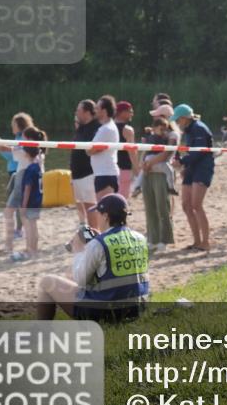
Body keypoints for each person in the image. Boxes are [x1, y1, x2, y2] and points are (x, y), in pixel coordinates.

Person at [36, 193, 149, 321]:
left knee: (46, 282)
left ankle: (41, 332)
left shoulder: (100, 244)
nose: (97, 218)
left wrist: (78, 250)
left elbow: (80, 280)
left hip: (109, 312)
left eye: (98, 214)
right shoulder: (140, 238)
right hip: (137, 309)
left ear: (106, 216)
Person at [0, 112, 35, 255]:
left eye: (13, 124)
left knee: (14, 211)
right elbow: (10, 152)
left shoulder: (23, 140)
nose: (12, 126)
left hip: (19, 176)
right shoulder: (23, 141)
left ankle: (15, 240)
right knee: (21, 211)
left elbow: (11, 153)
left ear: (20, 125)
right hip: (20, 176)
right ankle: (24, 244)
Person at [171, 103, 215, 250]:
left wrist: (182, 162)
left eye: (178, 120)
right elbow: (183, 149)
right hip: (191, 168)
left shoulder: (199, 129)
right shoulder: (187, 131)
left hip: (202, 168)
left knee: (197, 205)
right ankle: (197, 241)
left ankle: (206, 242)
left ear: (185, 118)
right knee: (186, 206)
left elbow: (199, 152)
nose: (177, 123)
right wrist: (179, 161)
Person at [8, 126, 47, 261]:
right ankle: (33, 249)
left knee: (29, 226)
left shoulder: (30, 168)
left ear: (27, 153)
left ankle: (30, 250)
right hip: (38, 199)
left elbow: (28, 188)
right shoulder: (38, 163)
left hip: (30, 200)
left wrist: (23, 205)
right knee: (33, 226)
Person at [139, 116, 176, 252]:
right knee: (150, 207)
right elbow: (145, 150)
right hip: (149, 172)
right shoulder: (151, 135)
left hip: (160, 173)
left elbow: (166, 154)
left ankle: (164, 239)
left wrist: (149, 163)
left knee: (162, 207)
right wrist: (143, 163)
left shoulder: (171, 135)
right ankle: (152, 239)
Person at [70, 100, 99, 228]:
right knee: (82, 210)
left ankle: (94, 237)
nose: (76, 113)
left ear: (87, 112)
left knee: (91, 208)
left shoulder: (95, 127)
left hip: (88, 173)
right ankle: (89, 237)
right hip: (77, 174)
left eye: (79, 111)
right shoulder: (81, 128)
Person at [88, 95, 121, 205]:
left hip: (105, 174)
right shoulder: (105, 128)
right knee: (105, 210)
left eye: (97, 108)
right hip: (103, 173)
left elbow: (90, 151)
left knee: (105, 210)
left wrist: (90, 149)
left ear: (104, 111)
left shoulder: (107, 129)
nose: (95, 111)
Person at [114, 101, 139, 196]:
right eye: (130, 111)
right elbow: (132, 151)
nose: (132, 113)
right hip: (123, 167)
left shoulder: (107, 127)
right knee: (122, 198)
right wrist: (137, 169)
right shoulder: (127, 129)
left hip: (110, 168)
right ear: (122, 112)